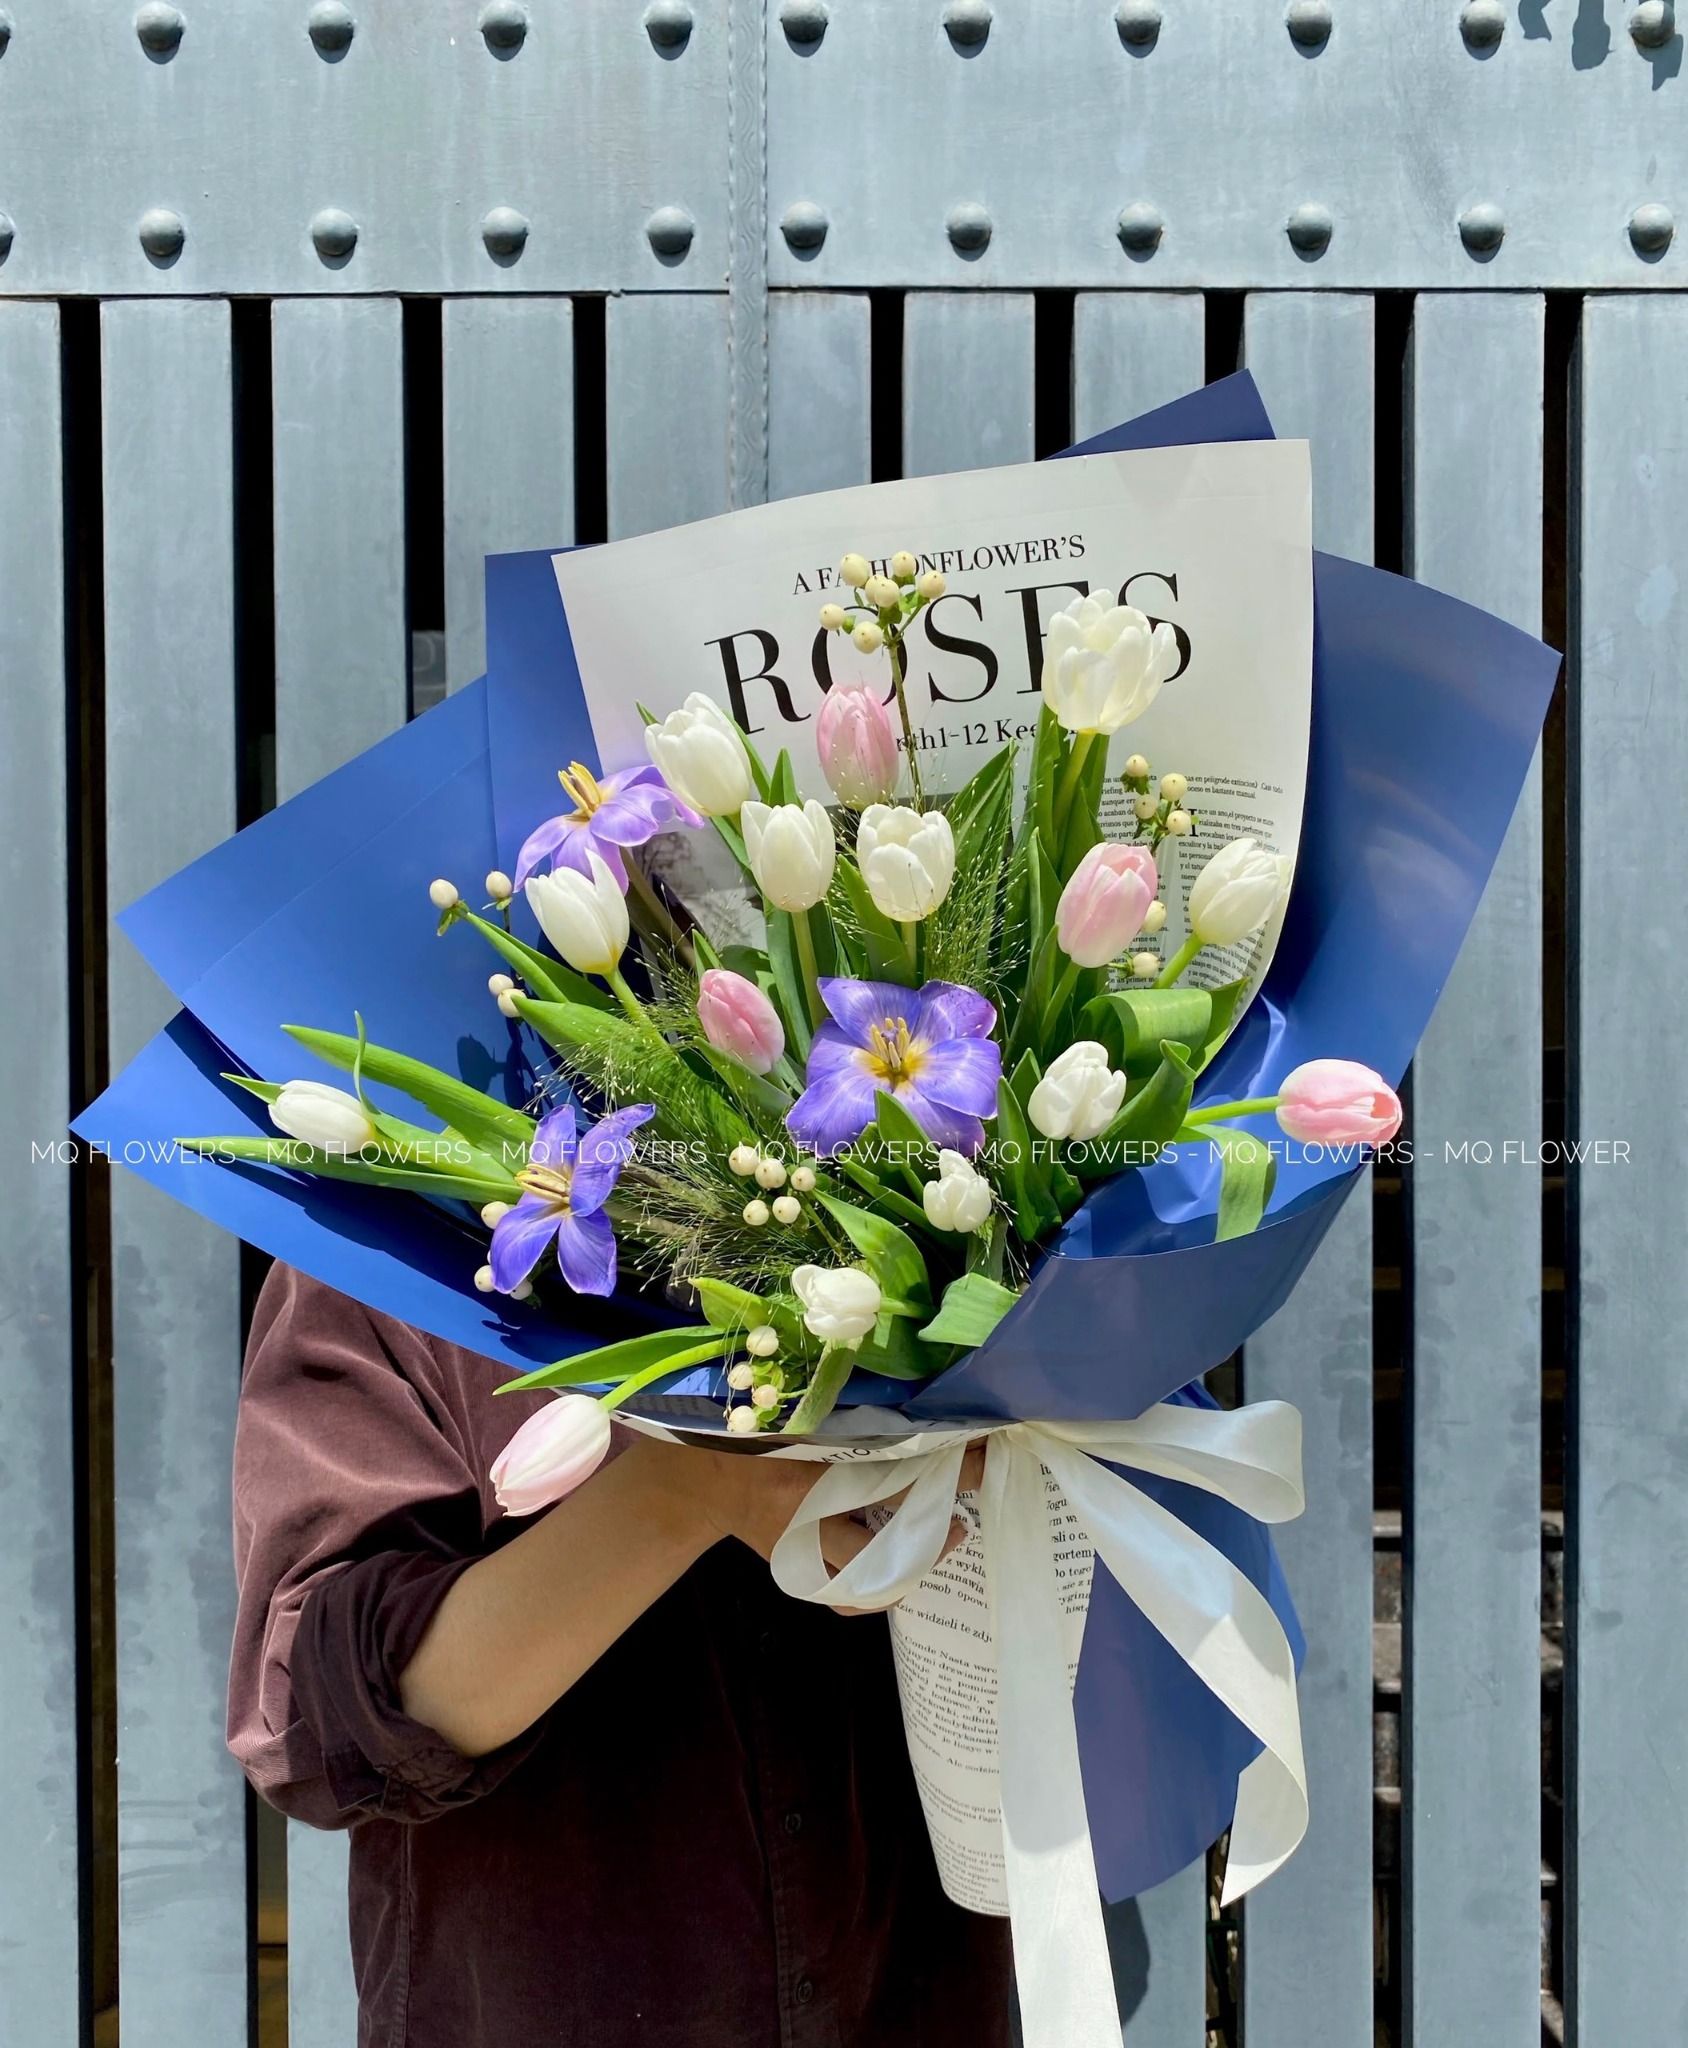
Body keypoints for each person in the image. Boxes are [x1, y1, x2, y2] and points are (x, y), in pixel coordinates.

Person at [228, 1262, 1013, 2048]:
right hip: (557, 2001)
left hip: (911, 1980)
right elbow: (321, 1717)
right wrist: (691, 1485)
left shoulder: (935, 1227)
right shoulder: (383, 1246)